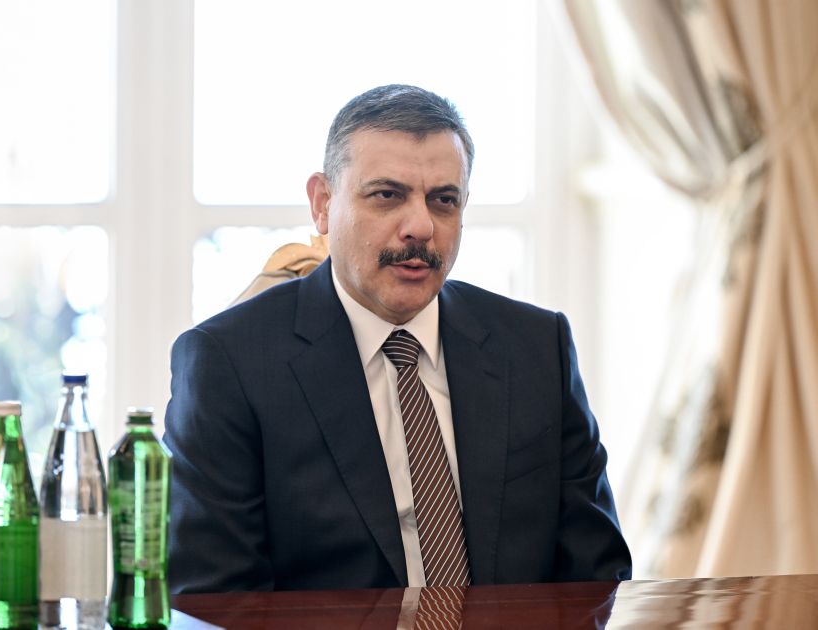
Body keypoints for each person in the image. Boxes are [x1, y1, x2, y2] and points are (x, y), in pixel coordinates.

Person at [163, 84, 632, 593]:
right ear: (322, 204)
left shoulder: (537, 347)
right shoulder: (228, 363)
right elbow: (215, 600)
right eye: (387, 195)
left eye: (443, 200)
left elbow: (596, 575)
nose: (421, 226)